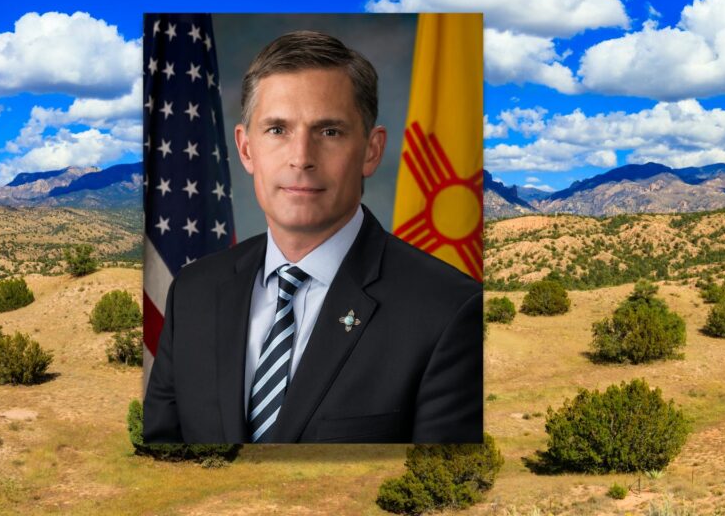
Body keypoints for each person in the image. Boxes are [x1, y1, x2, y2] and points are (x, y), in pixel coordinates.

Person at [143, 30, 482, 443]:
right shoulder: (193, 292)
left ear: (371, 151)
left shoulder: (447, 310)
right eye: (277, 130)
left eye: (329, 132)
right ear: (246, 149)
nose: (301, 158)